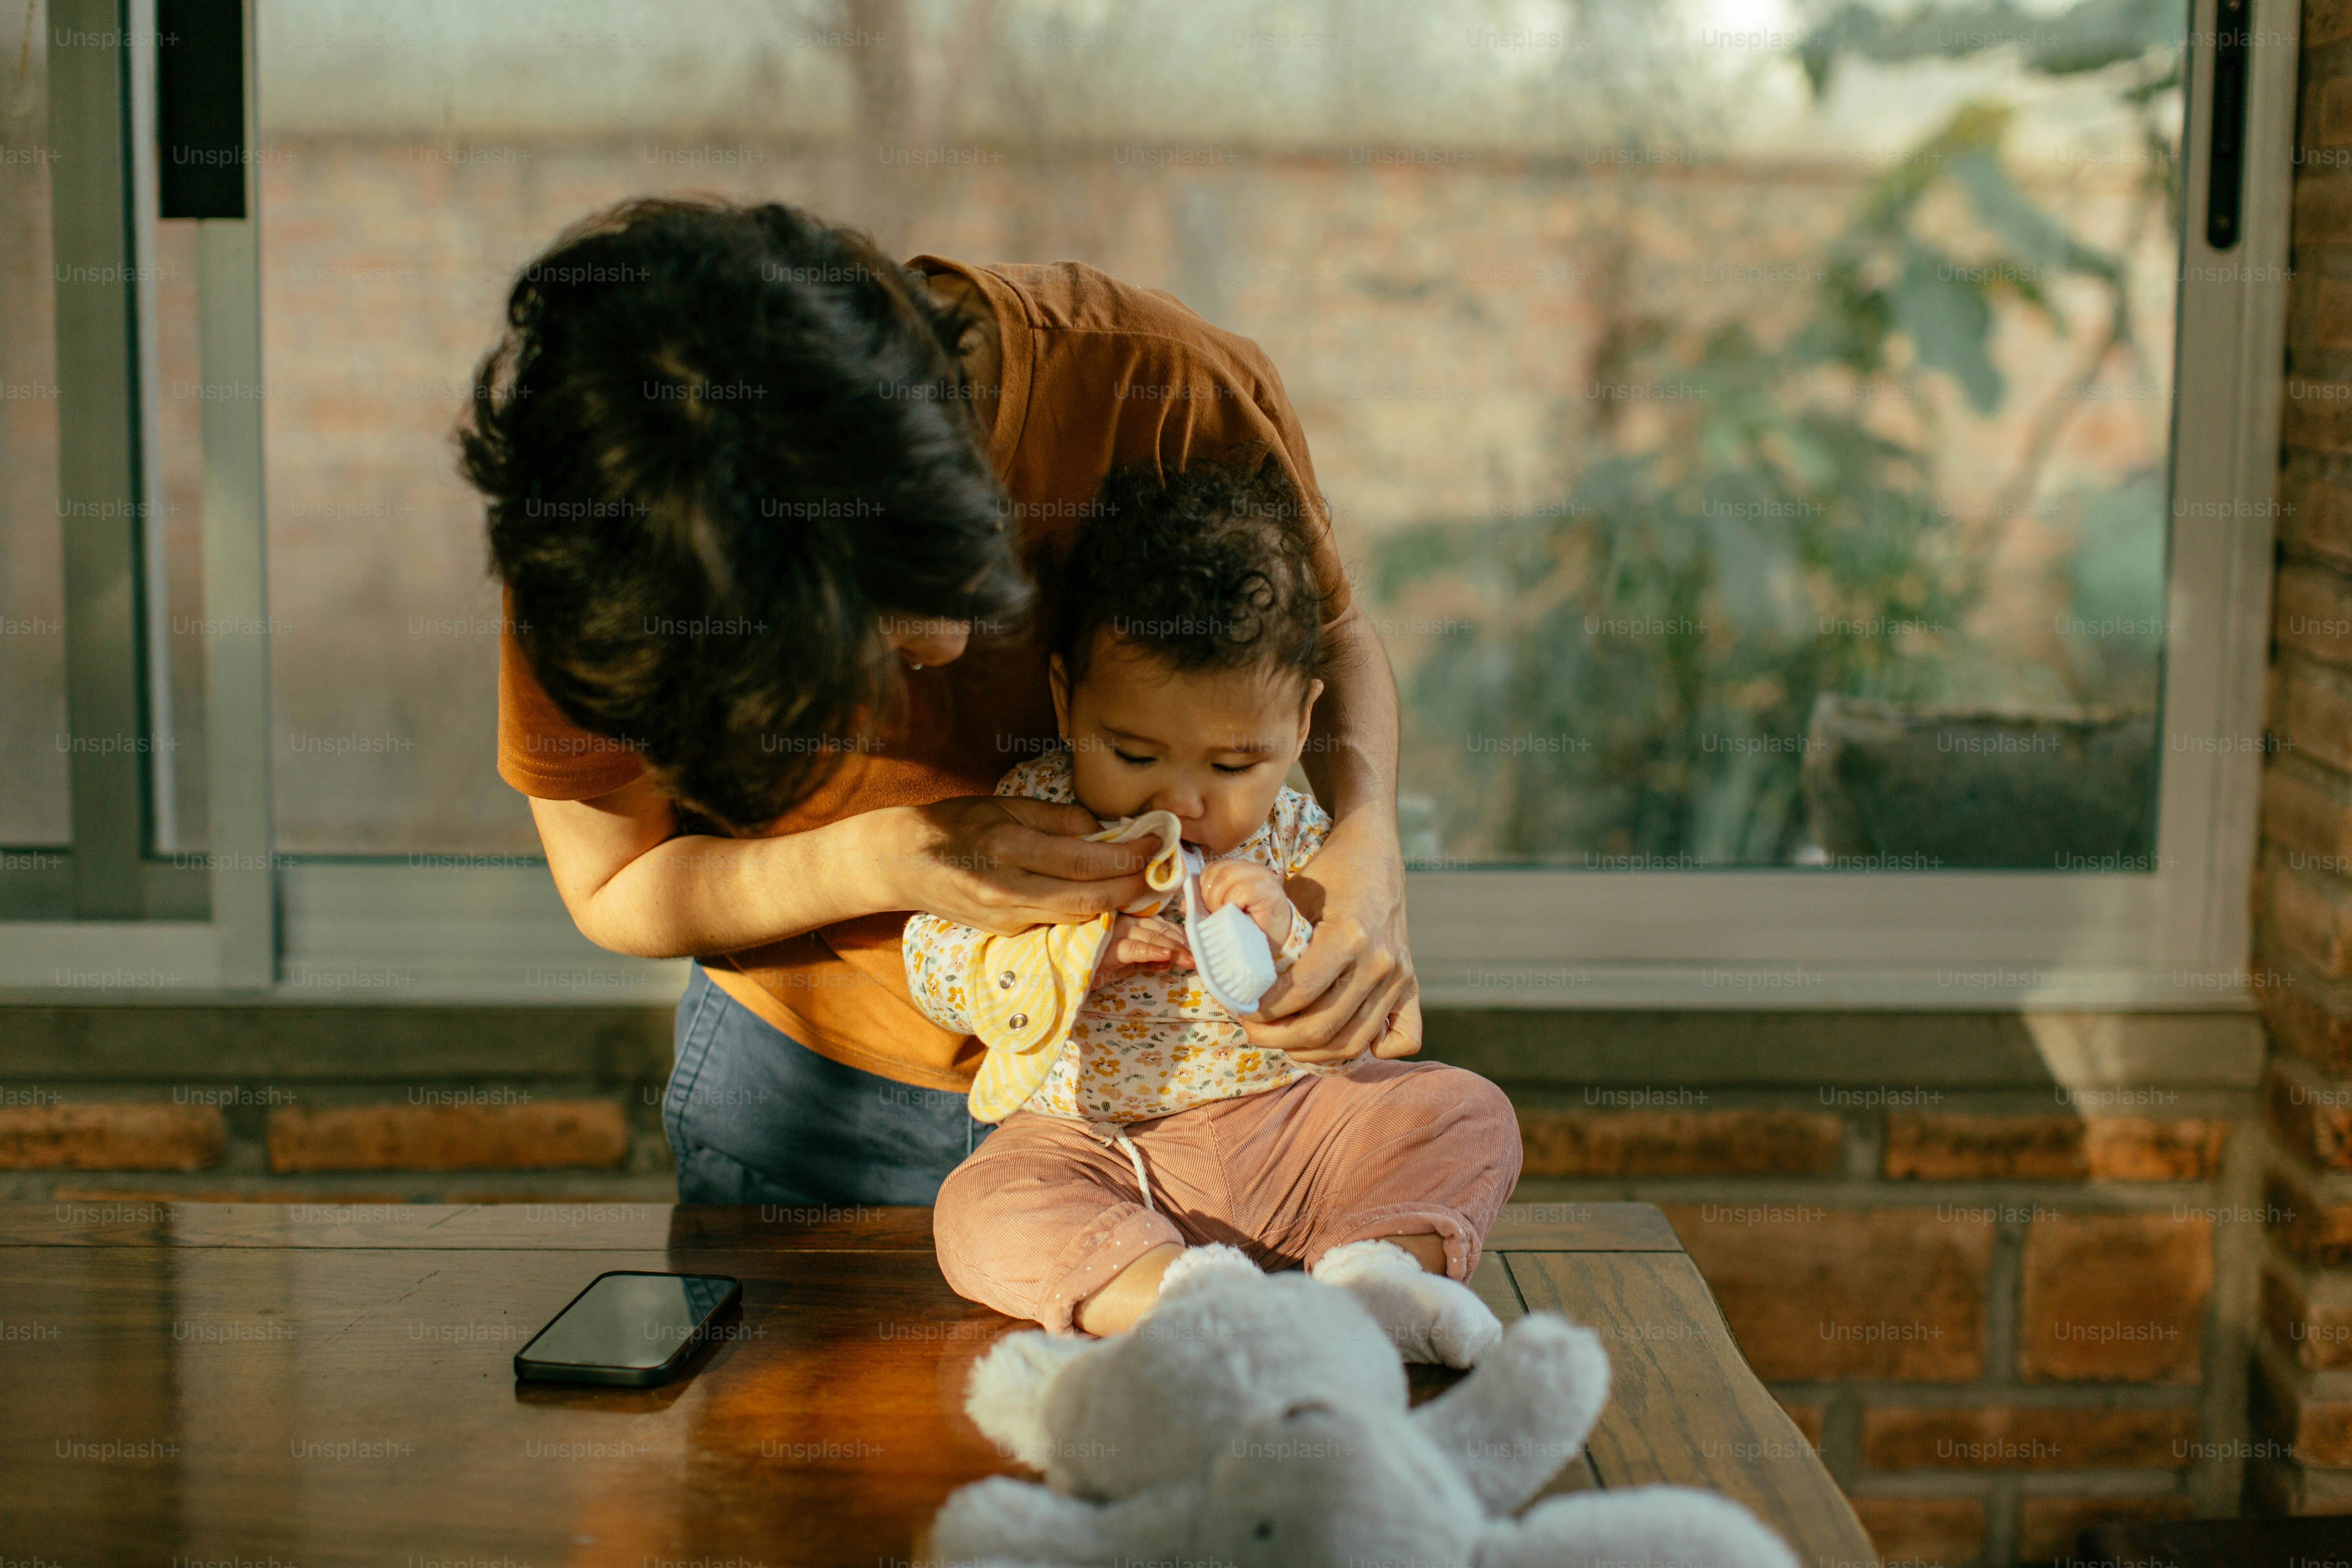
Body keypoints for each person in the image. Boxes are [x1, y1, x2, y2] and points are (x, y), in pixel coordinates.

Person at [461, 197, 1423, 1205]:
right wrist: (890, 860)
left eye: (943, 573)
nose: (941, 646)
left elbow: (1335, 633)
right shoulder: (604, 564)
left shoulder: (1158, 385)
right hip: (812, 1106)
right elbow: (615, 886)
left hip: (1185, 1103)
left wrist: (1366, 849)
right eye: (863, 650)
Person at [910, 459, 1519, 1357]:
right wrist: (1070, 957)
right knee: (978, 1210)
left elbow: (1364, 1002)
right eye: (1132, 752)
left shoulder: (1298, 836)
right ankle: (1182, 1301)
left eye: (1232, 766)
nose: (1185, 800)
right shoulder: (1038, 818)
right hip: (1097, 1145)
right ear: (1064, 699)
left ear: (1302, 727)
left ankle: (1377, 1278)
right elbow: (934, 960)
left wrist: (1288, 925)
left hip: (1288, 1127)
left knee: (1465, 1113)